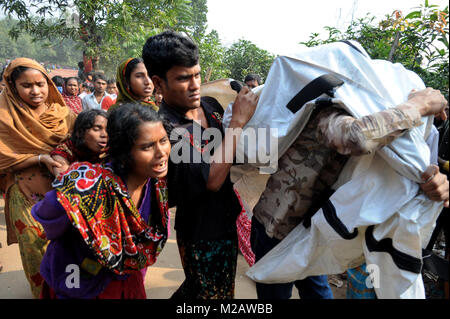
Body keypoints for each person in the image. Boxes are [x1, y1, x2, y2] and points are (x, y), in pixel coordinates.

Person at [249, 85, 449, 299]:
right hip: (276, 229)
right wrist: (420, 104)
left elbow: (404, 162)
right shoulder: (328, 109)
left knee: (319, 293)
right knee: (277, 294)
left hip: (313, 231)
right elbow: (355, 137)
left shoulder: (381, 121)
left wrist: (431, 180)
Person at [142, 30, 258, 299]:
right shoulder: (165, 128)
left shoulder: (210, 105)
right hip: (201, 231)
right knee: (210, 295)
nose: (194, 84)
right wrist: (238, 123)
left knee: (209, 290)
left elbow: (230, 153)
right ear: (158, 83)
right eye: (183, 78)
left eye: (196, 74)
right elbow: (212, 180)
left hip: (227, 217)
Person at [32, 102, 171, 299]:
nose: (161, 153)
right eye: (147, 146)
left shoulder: (156, 184)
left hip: (124, 279)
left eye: (163, 140)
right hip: (79, 281)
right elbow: (49, 216)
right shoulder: (84, 186)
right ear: (124, 151)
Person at [0, 58, 76, 298]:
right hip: (24, 192)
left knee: (67, 247)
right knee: (34, 247)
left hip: (65, 191)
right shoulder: (4, 117)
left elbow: (79, 144)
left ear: (49, 85)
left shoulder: (64, 114)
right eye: (26, 85)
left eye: (41, 84)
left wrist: (63, 160)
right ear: (13, 87)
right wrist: (40, 158)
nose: (36, 91)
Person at [50, 109, 108, 177]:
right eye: (96, 129)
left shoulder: (110, 151)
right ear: (79, 132)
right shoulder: (63, 152)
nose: (104, 135)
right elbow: (64, 181)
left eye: (107, 130)